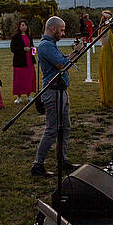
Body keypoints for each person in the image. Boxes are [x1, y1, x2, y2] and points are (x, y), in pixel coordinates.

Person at [32, 17, 79, 177]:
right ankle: (37, 165)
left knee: (65, 127)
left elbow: (64, 60)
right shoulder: (46, 46)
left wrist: (74, 53)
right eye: (62, 30)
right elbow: (62, 65)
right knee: (52, 129)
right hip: (52, 92)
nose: (63, 33)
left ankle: (62, 160)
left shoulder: (51, 45)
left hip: (61, 90)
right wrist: (77, 52)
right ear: (52, 28)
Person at [97, 10, 113, 109]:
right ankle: (110, 99)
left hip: (107, 53)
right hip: (108, 54)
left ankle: (108, 98)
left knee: (109, 75)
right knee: (109, 75)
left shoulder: (104, 29)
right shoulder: (105, 29)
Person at [10, 20, 37, 107]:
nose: (24, 27)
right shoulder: (15, 37)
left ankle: (29, 95)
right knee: (19, 79)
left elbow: (32, 48)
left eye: (25, 25)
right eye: (22, 25)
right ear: (19, 26)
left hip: (29, 61)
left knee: (29, 78)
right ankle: (19, 97)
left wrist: (33, 50)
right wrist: (23, 49)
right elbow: (13, 49)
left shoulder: (29, 36)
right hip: (20, 61)